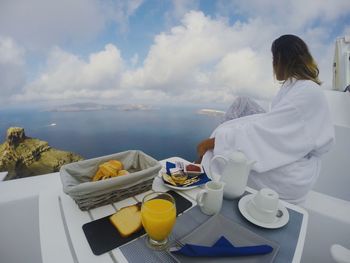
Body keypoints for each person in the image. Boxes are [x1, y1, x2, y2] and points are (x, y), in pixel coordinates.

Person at [197, 34, 335, 204]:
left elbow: (266, 134)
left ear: (281, 59)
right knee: (242, 102)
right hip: (293, 148)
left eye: (273, 59)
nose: (273, 65)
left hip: (293, 172)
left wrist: (214, 142)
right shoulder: (297, 86)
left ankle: (201, 166)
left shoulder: (306, 91)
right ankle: (207, 157)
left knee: (217, 149)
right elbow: (277, 127)